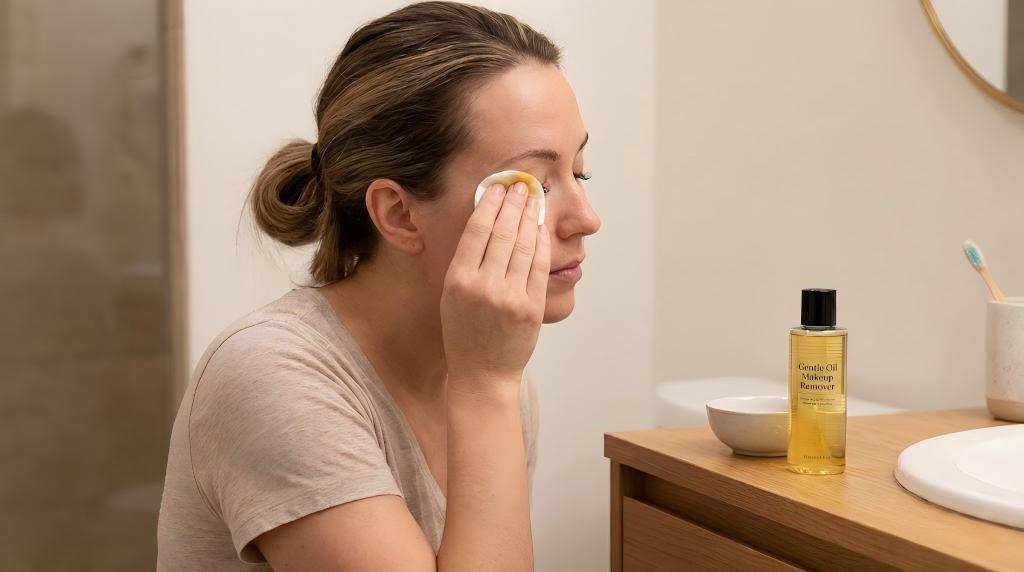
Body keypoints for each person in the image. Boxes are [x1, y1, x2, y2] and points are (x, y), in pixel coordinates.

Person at [157, 2, 600, 569]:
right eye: (532, 185)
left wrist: (489, 385)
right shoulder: (271, 374)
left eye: (579, 172)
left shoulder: (488, 375)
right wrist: (488, 388)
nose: (586, 218)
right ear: (399, 214)